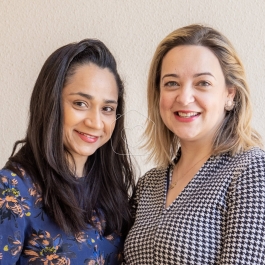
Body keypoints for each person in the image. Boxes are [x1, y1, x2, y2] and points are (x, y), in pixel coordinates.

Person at [124, 24, 265, 264]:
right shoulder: (148, 184)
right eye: (171, 83)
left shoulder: (251, 170)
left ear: (230, 94)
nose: (184, 97)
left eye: (202, 83)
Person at [0, 39, 135, 264]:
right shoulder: (12, 190)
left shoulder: (111, 190)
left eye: (107, 108)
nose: (95, 122)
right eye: (81, 103)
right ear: (51, 103)